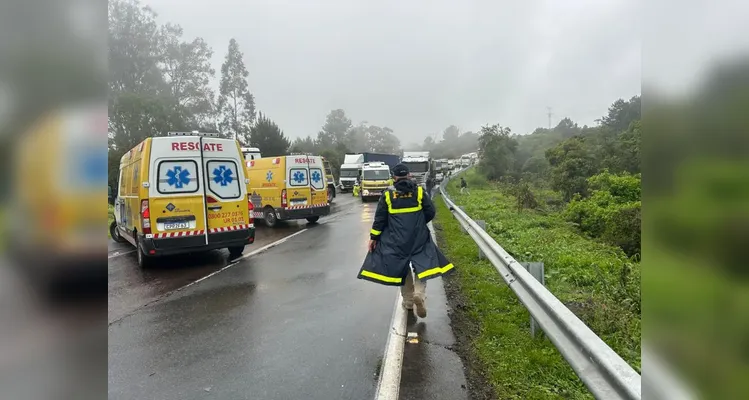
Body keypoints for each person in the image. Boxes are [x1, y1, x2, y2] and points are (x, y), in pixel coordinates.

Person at [357, 164, 454, 318]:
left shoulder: (388, 195)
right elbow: (430, 212)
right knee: (422, 264)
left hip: (396, 240)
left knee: (402, 267)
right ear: (409, 175)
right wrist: (420, 223)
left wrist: (374, 238)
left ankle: (408, 302)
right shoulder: (419, 191)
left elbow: (380, 220)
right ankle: (419, 294)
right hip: (418, 238)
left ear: (394, 177)